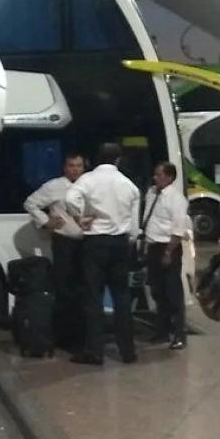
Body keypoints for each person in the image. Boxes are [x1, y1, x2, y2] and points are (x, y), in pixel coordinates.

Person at [65, 142, 141, 366]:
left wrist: (79, 217)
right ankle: (127, 351)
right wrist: (129, 240)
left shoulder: (88, 180)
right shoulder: (129, 185)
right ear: (118, 159)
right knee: (122, 297)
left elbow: (70, 198)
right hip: (120, 243)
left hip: (95, 242)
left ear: (97, 158)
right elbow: (134, 226)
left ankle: (95, 351)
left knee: (93, 297)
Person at [24, 153, 86, 351]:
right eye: (71, 165)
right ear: (64, 168)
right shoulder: (54, 186)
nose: (75, 169)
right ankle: (63, 335)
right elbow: (31, 203)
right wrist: (46, 222)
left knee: (83, 289)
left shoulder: (89, 184)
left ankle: (82, 335)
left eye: (79, 166)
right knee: (64, 288)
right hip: (64, 242)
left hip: (87, 243)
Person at [140, 161, 190, 349]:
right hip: (152, 246)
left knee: (172, 291)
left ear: (169, 177)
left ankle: (179, 334)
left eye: (159, 175)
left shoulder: (176, 199)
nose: (155, 178)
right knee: (157, 291)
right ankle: (161, 330)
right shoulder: (152, 193)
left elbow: (178, 228)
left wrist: (169, 252)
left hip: (167, 246)